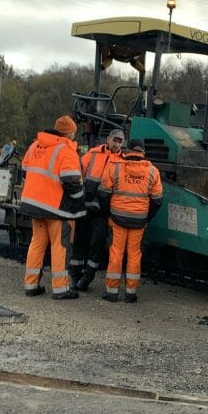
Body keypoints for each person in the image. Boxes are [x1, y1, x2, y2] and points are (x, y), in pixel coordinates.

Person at [19, 115, 85, 300]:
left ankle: (31, 285)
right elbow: (72, 181)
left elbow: (25, 171)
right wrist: (79, 202)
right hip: (57, 208)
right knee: (60, 246)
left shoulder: (36, 145)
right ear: (70, 132)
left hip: (33, 204)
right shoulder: (66, 149)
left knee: (37, 243)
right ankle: (60, 288)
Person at [99, 139, 163, 303]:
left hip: (117, 217)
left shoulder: (115, 167)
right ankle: (131, 293)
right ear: (143, 152)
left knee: (116, 253)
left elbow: (104, 193)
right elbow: (157, 200)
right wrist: (146, 218)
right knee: (134, 255)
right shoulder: (153, 172)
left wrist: (108, 214)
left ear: (127, 151)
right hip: (139, 220)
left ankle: (112, 292)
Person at [73, 129, 125, 291]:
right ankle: (75, 276)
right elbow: (78, 171)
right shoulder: (93, 154)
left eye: (120, 142)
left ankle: (87, 278)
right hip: (85, 205)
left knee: (96, 243)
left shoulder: (123, 161)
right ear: (108, 139)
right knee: (80, 241)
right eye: (114, 140)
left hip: (103, 211)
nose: (116, 144)